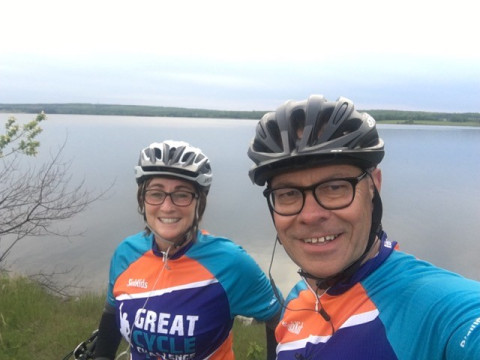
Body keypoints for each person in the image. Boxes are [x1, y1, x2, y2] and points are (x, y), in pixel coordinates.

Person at [246, 95, 480, 359]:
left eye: (335, 187)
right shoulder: (299, 297)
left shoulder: (437, 308)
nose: (310, 215)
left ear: (373, 186)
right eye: (288, 193)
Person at [93, 140, 281, 360]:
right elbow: (112, 311)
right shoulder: (126, 253)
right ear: (143, 199)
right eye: (156, 193)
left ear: (198, 203)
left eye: (182, 194)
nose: (167, 206)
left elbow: (278, 318)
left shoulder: (231, 262)